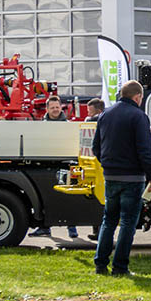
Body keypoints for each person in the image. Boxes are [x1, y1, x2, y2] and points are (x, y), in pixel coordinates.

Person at [91, 81, 151, 276]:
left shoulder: (105, 115)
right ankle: (120, 267)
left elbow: (96, 147)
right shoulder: (139, 117)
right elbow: (145, 151)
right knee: (128, 223)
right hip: (133, 177)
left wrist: (107, 163)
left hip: (111, 175)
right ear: (138, 97)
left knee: (108, 220)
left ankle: (100, 264)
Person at [31, 95, 77, 238]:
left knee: (68, 198)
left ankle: (72, 227)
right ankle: (44, 228)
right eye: (52, 107)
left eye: (57, 107)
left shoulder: (68, 125)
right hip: (46, 166)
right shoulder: (40, 126)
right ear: (47, 109)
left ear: (61, 107)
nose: (55, 110)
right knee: (45, 198)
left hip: (65, 165)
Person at [84, 98, 105, 242]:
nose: (88, 114)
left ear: (98, 111)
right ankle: (97, 231)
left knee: (99, 200)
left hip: (98, 166)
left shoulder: (96, 121)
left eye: (90, 111)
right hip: (99, 165)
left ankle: (98, 231)